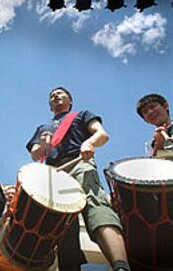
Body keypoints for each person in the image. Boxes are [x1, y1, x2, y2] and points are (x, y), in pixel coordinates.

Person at [26, 87, 130, 271]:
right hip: (54, 173)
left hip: (79, 162)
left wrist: (89, 142)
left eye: (60, 93)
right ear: (50, 106)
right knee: (60, 224)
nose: (55, 96)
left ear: (70, 100)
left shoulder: (81, 115)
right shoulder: (43, 128)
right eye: (52, 95)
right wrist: (43, 145)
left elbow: (101, 134)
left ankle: (121, 266)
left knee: (94, 203)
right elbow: (35, 155)